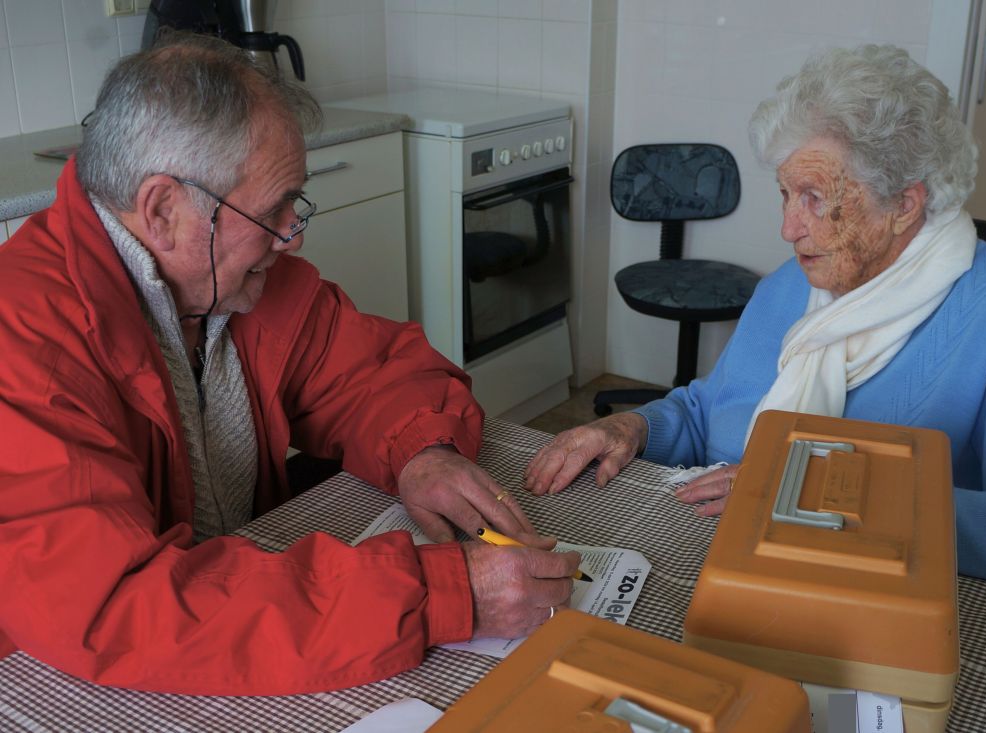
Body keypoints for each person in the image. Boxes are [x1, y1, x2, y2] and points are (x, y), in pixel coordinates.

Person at [0, 33, 578, 695]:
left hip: (233, 638)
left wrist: (423, 453)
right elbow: (120, 607)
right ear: (164, 211)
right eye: (272, 208)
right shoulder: (22, 342)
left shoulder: (239, 282)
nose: (293, 233)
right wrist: (443, 591)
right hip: (57, 681)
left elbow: (375, 374)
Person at [526, 44, 986, 590]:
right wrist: (634, 427)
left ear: (904, 204)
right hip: (732, 561)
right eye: (785, 194)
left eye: (816, 198)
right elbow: (709, 412)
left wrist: (824, 496)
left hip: (876, 595)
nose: (788, 228)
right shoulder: (792, 285)